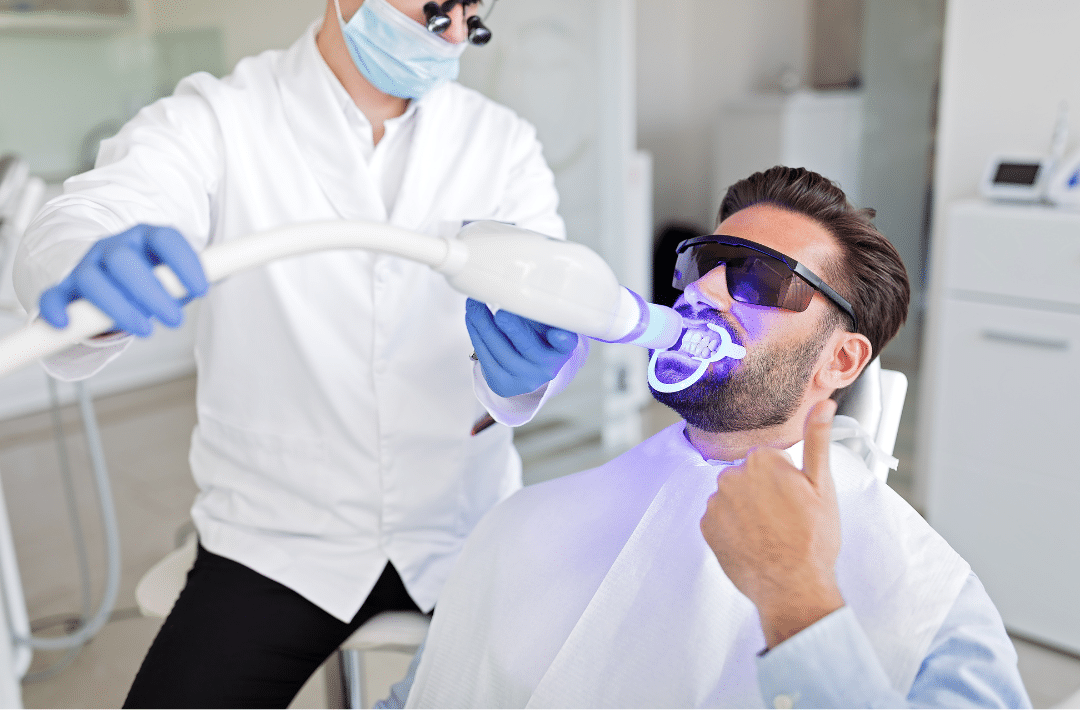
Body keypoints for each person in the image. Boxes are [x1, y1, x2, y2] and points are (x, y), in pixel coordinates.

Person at [13, 1, 587, 707]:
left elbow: (553, 298)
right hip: (278, 542)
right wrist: (83, 263)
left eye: (471, 10)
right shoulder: (219, 118)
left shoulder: (500, 142)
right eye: (435, 6)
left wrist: (541, 366)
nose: (455, 30)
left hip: (463, 530)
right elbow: (92, 213)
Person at [385, 166, 1031, 708]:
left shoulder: (931, 602)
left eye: (760, 278)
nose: (704, 289)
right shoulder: (532, 522)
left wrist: (799, 603)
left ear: (840, 362)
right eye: (705, 261)